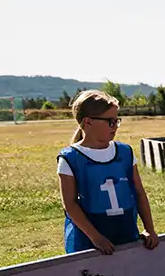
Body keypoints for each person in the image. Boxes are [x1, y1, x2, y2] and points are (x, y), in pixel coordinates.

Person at [57, 90, 158, 254]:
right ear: (88, 122)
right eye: (110, 121)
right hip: (89, 242)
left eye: (116, 120)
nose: (115, 126)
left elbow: (139, 193)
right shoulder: (70, 158)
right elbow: (70, 205)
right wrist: (96, 237)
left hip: (126, 232)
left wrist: (149, 229)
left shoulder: (125, 152)